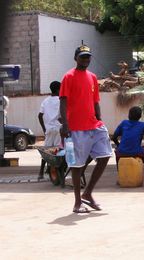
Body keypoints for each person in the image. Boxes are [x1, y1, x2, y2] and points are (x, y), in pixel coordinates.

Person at [60, 45, 113, 214]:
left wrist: (100, 119)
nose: (86, 60)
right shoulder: (68, 77)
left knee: (105, 156)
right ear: (76, 58)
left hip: (94, 125)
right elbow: (63, 101)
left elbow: (95, 100)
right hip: (76, 127)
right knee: (77, 165)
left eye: (88, 57)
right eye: (82, 57)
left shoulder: (93, 77)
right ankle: (77, 203)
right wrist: (66, 124)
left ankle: (88, 193)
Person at [37, 81, 62, 179]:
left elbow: (39, 116)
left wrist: (44, 128)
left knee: (46, 152)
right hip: (58, 129)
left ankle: (41, 172)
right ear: (58, 90)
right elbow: (63, 116)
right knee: (58, 152)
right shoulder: (61, 100)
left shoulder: (45, 101)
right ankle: (56, 171)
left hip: (49, 130)